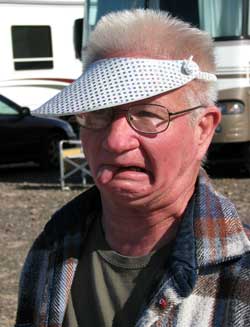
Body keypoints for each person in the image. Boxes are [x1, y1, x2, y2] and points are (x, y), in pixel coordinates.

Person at [15, 9, 250, 327]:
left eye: (148, 114)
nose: (115, 140)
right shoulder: (51, 249)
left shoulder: (241, 272)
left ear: (203, 130)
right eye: (97, 113)